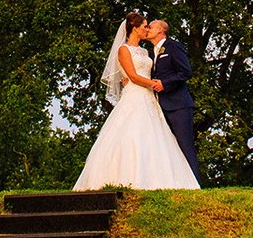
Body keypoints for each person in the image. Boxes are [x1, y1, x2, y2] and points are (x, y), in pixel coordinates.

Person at [73, 11, 200, 191]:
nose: (147, 29)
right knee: (133, 135)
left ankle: (190, 183)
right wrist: (151, 83)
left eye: (149, 26)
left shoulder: (148, 51)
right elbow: (133, 75)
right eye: (144, 26)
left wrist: (157, 83)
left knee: (166, 141)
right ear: (135, 28)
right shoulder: (124, 49)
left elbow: (162, 71)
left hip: (157, 100)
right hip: (137, 96)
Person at [144, 19, 202, 184]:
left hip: (179, 105)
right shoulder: (151, 52)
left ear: (161, 30)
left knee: (185, 145)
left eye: (151, 27)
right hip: (160, 106)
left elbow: (185, 72)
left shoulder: (173, 47)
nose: (148, 29)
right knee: (167, 148)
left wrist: (165, 84)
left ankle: (195, 185)